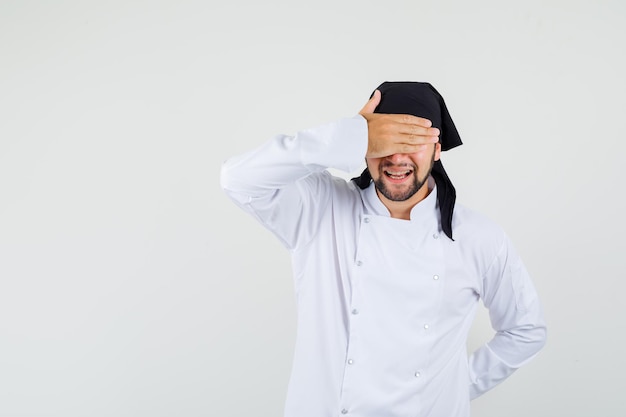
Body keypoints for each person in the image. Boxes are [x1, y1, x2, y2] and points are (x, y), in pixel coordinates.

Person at [220, 81, 547, 417]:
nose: (397, 157)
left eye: (413, 141)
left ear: (437, 149)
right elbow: (237, 179)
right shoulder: (319, 209)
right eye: (385, 140)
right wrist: (345, 135)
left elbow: (526, 331)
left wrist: (454, 385)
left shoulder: (479, 238)